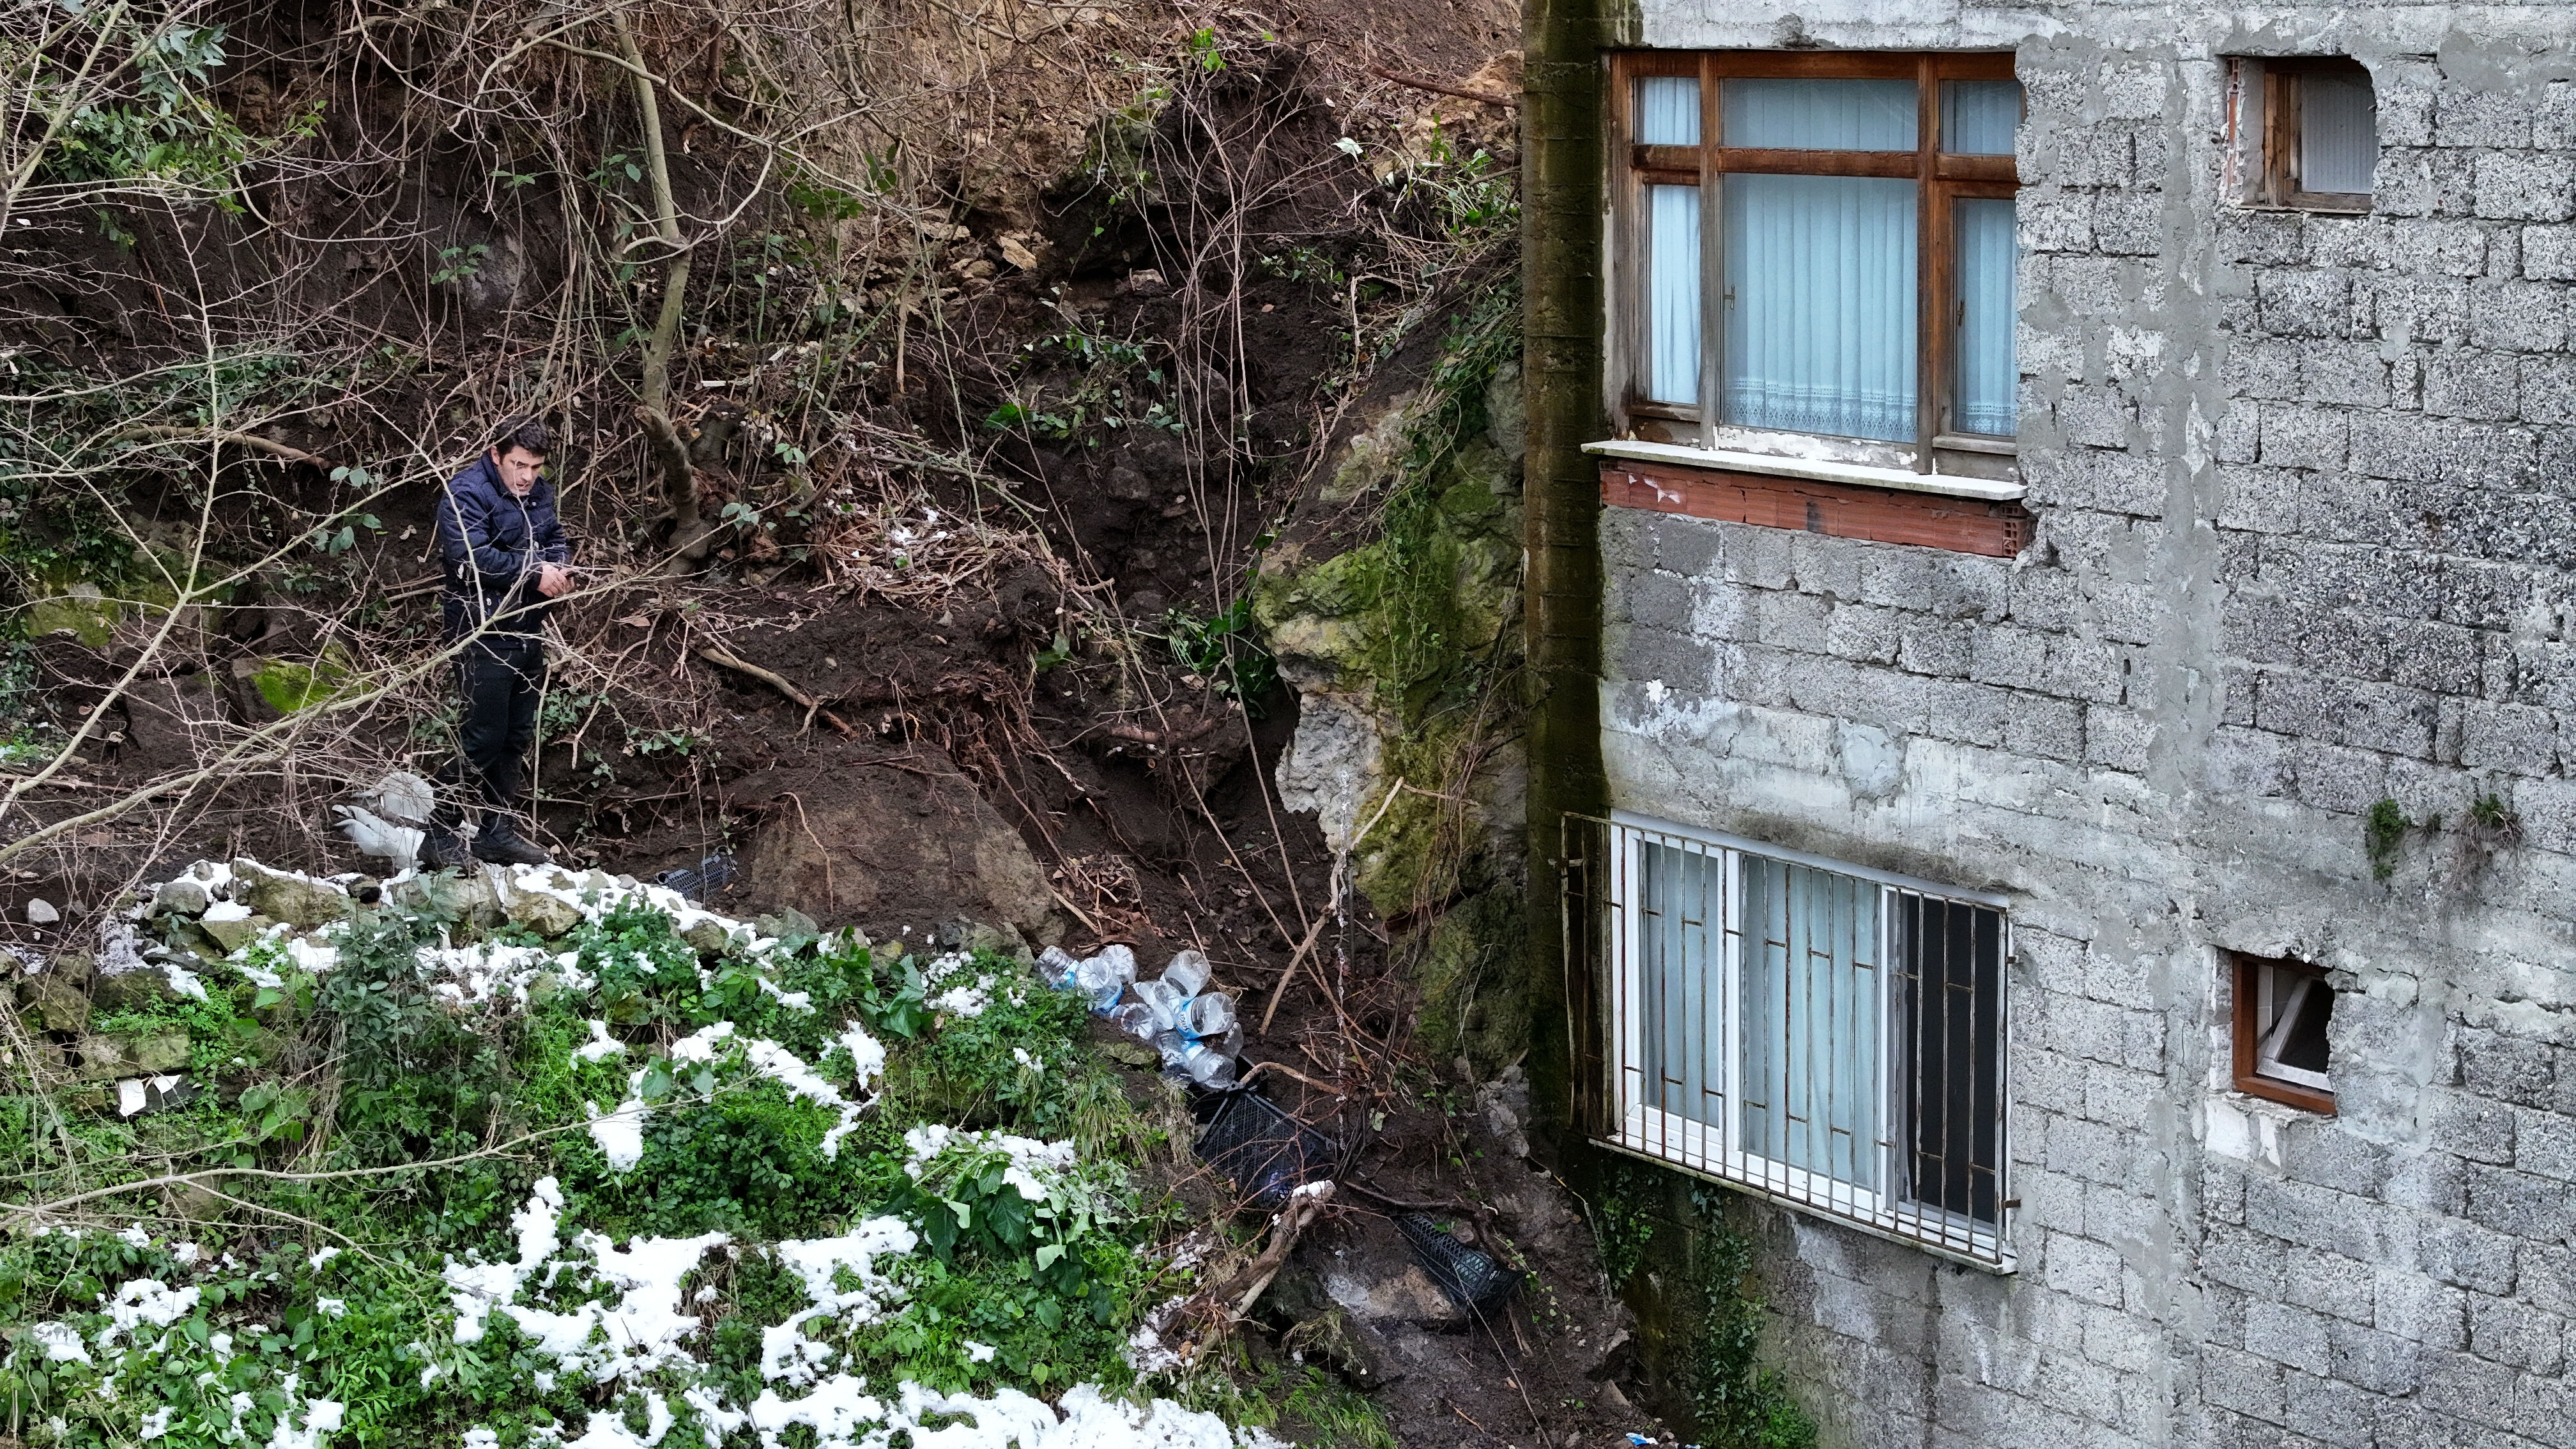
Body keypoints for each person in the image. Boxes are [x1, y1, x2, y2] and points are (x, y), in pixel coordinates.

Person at [425, 416, 572, 868]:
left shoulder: (538, 492)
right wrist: (534, 572)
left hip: (527, 625)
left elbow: (555, 538)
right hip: (480, 628)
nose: (527, 476)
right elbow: (471, 558)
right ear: (497, 455)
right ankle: (440, 833)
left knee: (516, 735)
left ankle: (496, 831)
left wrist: (560, 568)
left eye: (537, 467)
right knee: (483, 736)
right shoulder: (466, 493)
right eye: (519, 465)